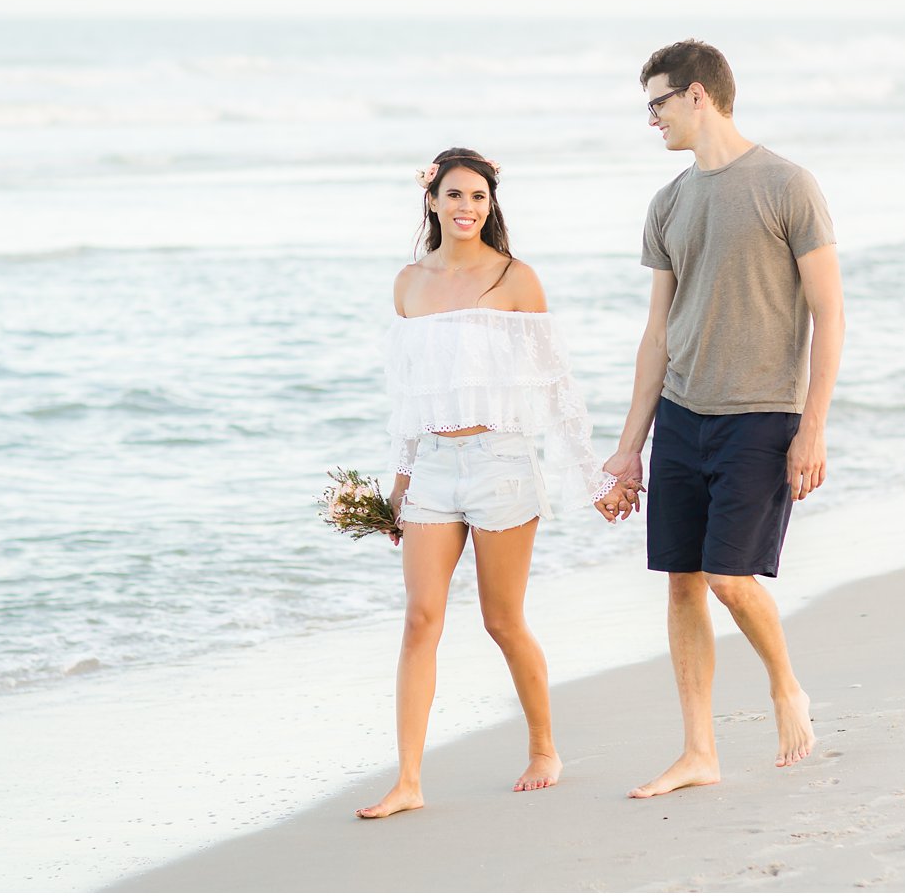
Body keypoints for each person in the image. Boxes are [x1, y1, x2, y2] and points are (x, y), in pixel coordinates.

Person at [601, 40, 846, 798]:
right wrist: (628, 447)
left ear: (698, 95)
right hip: (681, 413)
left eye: (659, 103)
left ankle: (785, 686)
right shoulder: (668, 203)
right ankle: (699, 750)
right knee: (682, 582)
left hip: (759, 416)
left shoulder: (786, 184)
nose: (653, 120)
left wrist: (813, 426)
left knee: (730, 578)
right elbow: (656, 333)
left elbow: (829, 313)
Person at [355, 147, 632, 819]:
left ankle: (544, 747)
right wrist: (396, 488)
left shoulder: (516, 279)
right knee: (421, 619)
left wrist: (592, 474)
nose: (466, 208)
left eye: (478, 197)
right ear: (431, 201)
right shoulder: (408, 284)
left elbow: (557, 385)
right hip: (432, 471)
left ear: (491, 203)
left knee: (501, 619)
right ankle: (410, 780)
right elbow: (409, 399)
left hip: (502, 462)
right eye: (454, 195)